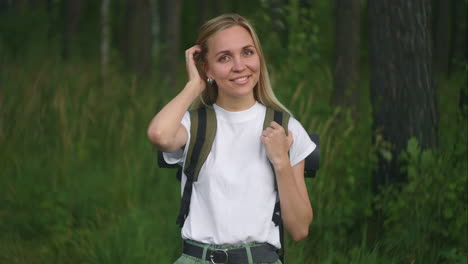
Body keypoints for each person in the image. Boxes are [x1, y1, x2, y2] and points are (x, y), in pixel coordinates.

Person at [147, 13, 316, 264]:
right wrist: (195, 85)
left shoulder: (285, 128)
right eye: (224, 57)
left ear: (259, 57)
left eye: (247, 52)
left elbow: (300, 229)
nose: (239, 66)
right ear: (207, 68)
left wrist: (281, 161)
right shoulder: (194, 125)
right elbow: (159, 135)